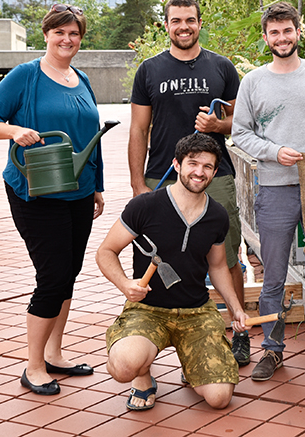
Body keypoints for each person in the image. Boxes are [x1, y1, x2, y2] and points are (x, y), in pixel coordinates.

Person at [0, 3, 105, 396]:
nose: (67, 40)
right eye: (60, 32)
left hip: (78, 190)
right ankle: (33, 366)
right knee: (51, 276)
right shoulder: (25, 76)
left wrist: (97, 185)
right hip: (35, 190)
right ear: (46, 34)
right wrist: (13, 130)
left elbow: (91, 136)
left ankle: (55, 353)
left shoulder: (80, 77)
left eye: (75, 34)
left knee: (69, 273)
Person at [231, 2, 305, 381]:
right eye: (274, 32)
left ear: (298, 33)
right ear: (266, 37)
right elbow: (240, 134)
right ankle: (272, 348)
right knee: (273, 274)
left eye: (288, 31)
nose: (282, 38)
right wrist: (274, 152)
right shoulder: (253, 81)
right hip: (274, 187)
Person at [128, 0, 248, 366]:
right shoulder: (149, 70)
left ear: (199, 23)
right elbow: (138, 129)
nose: (184, 27)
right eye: (176, 20)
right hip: (161, 177)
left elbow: (240, 123)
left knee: (227, 255)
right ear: (166, 25)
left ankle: (238, 330)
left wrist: (217, 126)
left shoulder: (222, 67)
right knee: (155, 258)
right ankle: (151, 337)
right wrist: (138, 185)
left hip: (216, 176)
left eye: (190, 20)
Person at [97, 133, 247, 411]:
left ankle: (193, 365)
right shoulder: (145, 206)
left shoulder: (217, 215)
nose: (199, 172)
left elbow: (217, 267)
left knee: (219, 399)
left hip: (196, 312)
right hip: (147, 309)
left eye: (208, 167)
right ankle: (143, 378)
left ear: (215, 171)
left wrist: (235, 307)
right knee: (123, 368)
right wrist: (124, 285)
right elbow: (105, 252)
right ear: (177, 164)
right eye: (193, 163)